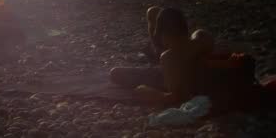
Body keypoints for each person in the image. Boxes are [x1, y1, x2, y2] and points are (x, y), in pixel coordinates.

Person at [111, 7, 273, 112]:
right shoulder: (203, 39)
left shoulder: (168, 58)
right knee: (153, 12)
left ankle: (157, 39)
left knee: (115, 73)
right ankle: (164, 33)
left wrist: (147, 92)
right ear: (185, 28)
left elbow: (176, 98)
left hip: (166, 72)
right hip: (185, 53)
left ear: (164, 35)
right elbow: (201, 44)